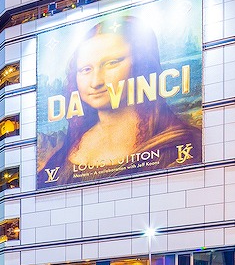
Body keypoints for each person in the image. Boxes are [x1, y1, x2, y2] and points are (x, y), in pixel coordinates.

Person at [38, 14, 200, 186]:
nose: (96, 82)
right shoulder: (67, 149)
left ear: (140, 64)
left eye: (112, 63)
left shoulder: (180, 145)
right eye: (85, 69)